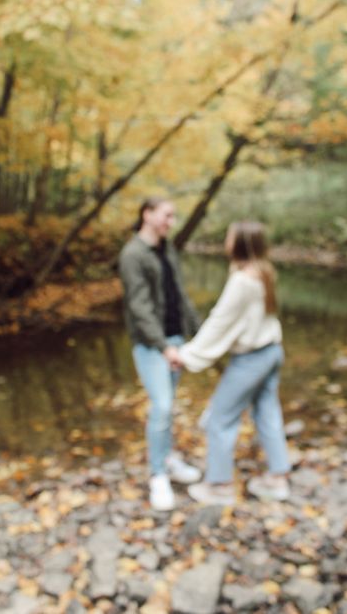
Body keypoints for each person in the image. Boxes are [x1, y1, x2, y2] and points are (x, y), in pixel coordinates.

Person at [172, 221, 291, 506]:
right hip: (272, 351)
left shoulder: (242, 281)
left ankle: (220, 486)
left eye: (229, 237)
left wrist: (187, 355)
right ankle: (277, 479)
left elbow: (220, 321)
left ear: (239, 244)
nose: (225, 241)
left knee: (219, 418)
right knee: (267, 412)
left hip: (252, 359)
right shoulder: (264, 272)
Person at [119, 197, 201, 511]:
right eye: (167, 215)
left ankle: (168, 459)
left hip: (176, 338)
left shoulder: (167, 249)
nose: (171, 221)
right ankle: (157, 476)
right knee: (162, 405)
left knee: (169, 405)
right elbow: (139, 308)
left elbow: (179, 295)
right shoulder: (132, 254)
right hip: (152, 344)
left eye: (173, 216)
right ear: (147, 214)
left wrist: (200, 333)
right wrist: (164, 346)